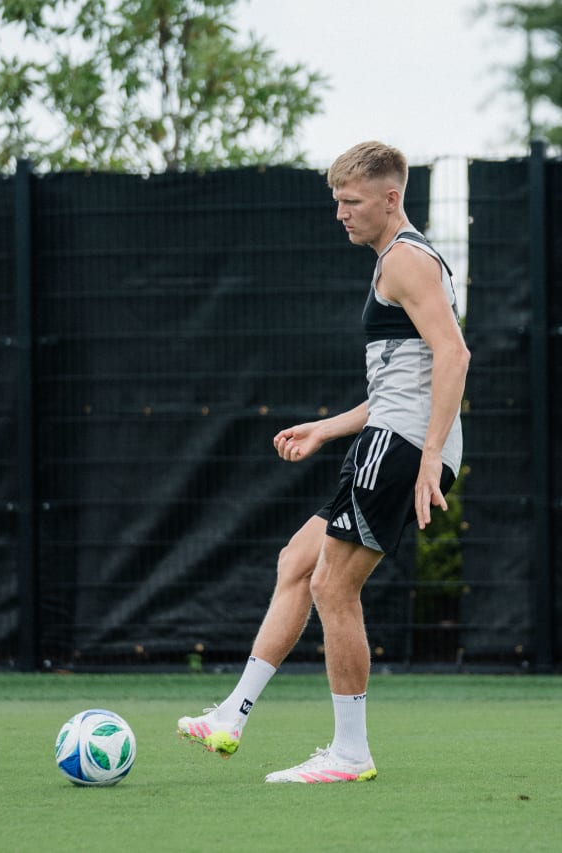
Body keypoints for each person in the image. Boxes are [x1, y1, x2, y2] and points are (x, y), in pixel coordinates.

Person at [177, 141, 469, 783]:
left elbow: (455, 355)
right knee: (297, 562)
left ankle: (350, 754)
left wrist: (427, 459)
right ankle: (231, 716)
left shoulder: (406, 260)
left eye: (352, 201)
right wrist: (326, 429)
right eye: (337, 201)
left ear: (391, 199)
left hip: (398, 446)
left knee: (333, 587)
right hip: (391, 437)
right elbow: (403, 385)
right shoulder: (397, 261)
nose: (341, 213)